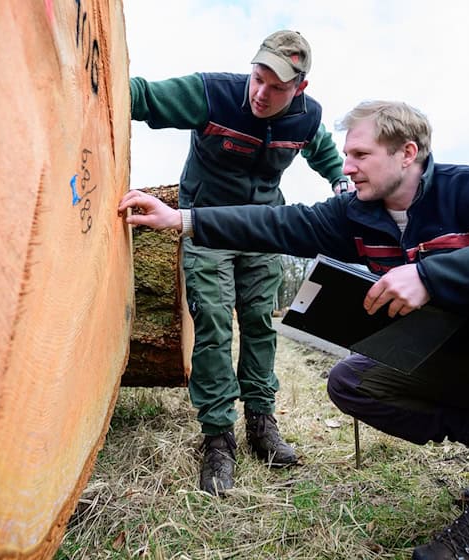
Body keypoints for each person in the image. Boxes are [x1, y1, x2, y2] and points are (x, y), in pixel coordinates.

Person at [119, 100, 469, 560]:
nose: (346, 165)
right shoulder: (357, 215)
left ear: (407, 154)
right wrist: (182, 218)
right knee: (354, 382)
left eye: (360, 153)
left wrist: (430, 274)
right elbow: (278, 224)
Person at [129, 30, 347, 496]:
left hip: (261, 229)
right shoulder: (213, 94)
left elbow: (323, 149)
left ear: (299, 90)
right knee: (211, 320)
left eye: (276, 87)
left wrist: (339, 182)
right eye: (258, 78)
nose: (261, 93)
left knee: (259, 321)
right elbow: (141, 96)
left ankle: (262, 424)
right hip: (202, 225)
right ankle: (217, 438)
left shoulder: (306, 117)